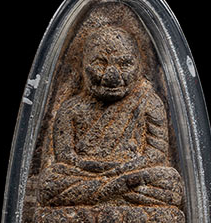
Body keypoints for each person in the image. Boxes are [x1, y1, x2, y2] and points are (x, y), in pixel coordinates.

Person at [38, 26, 183, 209]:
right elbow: (65, 158)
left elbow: (156, 154)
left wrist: (123, 170)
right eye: (100, 64)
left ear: (139, 66)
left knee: (170, 181)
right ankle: (115, 192)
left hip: (130, 173)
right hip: (88, 174)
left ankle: (105, 194)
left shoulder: (149, 102)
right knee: (50, 181)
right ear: (82, 66)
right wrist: (101, 171)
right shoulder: (70, 108)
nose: (111, 76)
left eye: (125, 64)